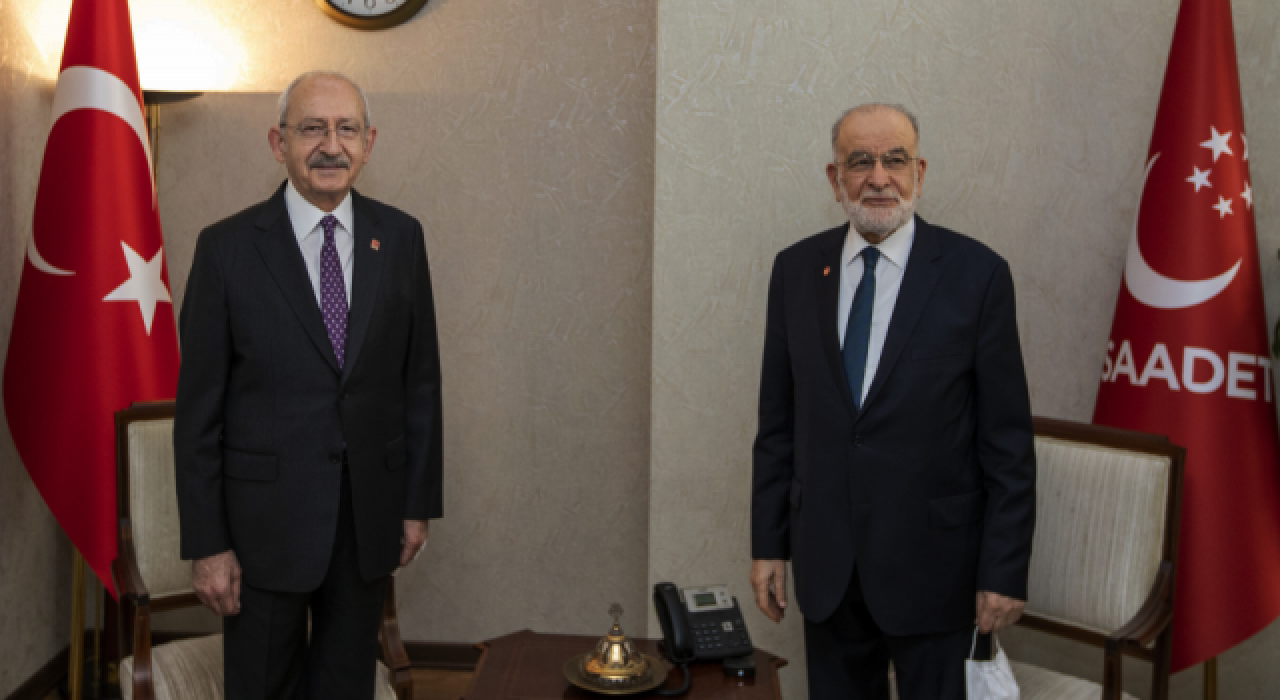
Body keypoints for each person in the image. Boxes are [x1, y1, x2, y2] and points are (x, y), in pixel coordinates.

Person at [748, 103, 1035, 699]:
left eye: (894, 160)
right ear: (835, 179)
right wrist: (769, 545)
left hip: (937, 572)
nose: (878, 178)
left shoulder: (978, 276)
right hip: (828, 567)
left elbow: (1006, 441)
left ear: (918, 173)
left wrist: (1003, 570)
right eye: (860, 162)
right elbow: (777, 425)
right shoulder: (795, 272)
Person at [174, 71, 443, 700]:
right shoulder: (225, 249)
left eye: (347, 129)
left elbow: (420, 382)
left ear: (368, 143)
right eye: (312, 128)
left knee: (347, 687)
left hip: (367, 523)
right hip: (262, 531)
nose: (331, 145)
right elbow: (198, 416)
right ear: (279, 143)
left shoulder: (400, 238)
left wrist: (415, 503)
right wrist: (208, 545)